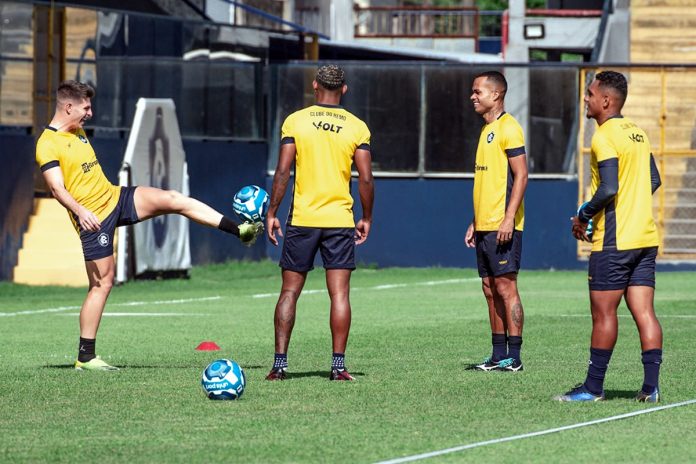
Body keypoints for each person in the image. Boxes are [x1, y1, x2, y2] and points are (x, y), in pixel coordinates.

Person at [36, 80, 263, 371]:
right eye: (86, 107)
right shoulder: (47, 143)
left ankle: (239, 230)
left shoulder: (77, 131)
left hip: (116, 197)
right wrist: (81, 212)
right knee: (102, 284)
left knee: (173, 199)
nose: (90, 113)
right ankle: (85, 357)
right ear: (68, 107)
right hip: (94, 219)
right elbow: (57, 188)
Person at [555, 71, 663, 402]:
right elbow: (654, 180)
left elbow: (610, 187)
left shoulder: (604, 137)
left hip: (615, 242)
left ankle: (592, 388)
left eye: (590, 94)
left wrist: (584, 215)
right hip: (645, 238)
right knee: (644, 312)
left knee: (603, 313)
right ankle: (651, 387)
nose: (585, 99)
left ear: (606, 100)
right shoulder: (637, 133)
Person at [264, 65, 374, 381]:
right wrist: (366, 217)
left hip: (303, 219)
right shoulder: (357, 126)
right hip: (339, 220)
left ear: (315, 86)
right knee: (339, 295)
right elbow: (365, 177)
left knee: (289, 292)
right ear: (344, 89)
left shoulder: (296, 121)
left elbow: (283, 171)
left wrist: (272, 211)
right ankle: (338, 367)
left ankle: (279, 366)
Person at [465, 71, 528, 372]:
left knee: (506, 288)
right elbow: (488, 182)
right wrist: (474, 221)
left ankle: (514, 358)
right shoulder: (486, 130)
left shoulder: (509, 128)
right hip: (484, 225)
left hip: (503, 225)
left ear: (496, 95)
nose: (472, 97)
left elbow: (522, 176)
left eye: (478, 91)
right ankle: (497, 354)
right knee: (489, 288)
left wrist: (508, 218)